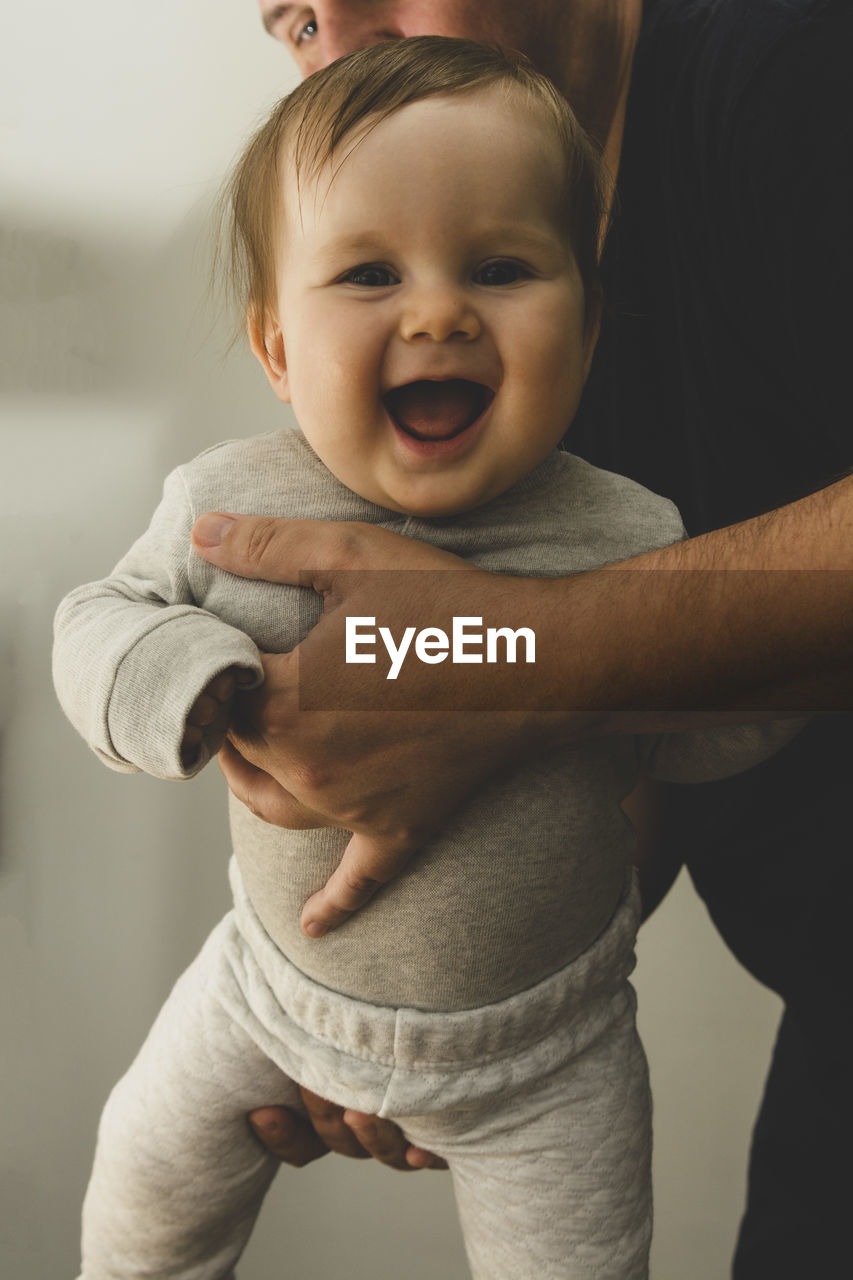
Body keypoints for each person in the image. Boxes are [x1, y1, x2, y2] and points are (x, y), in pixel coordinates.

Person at [53, 38, 801, 1279]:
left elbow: (716, 725)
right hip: (265, 993)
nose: (441, 309)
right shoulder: (229, 505)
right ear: (279, 349)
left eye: (502, 267)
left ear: (592, 322)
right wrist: (192, 673)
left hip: (550, 1049)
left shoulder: (631, 538)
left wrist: (735, 686)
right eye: (366, 273)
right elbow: (98, 621)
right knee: (143, 1191)